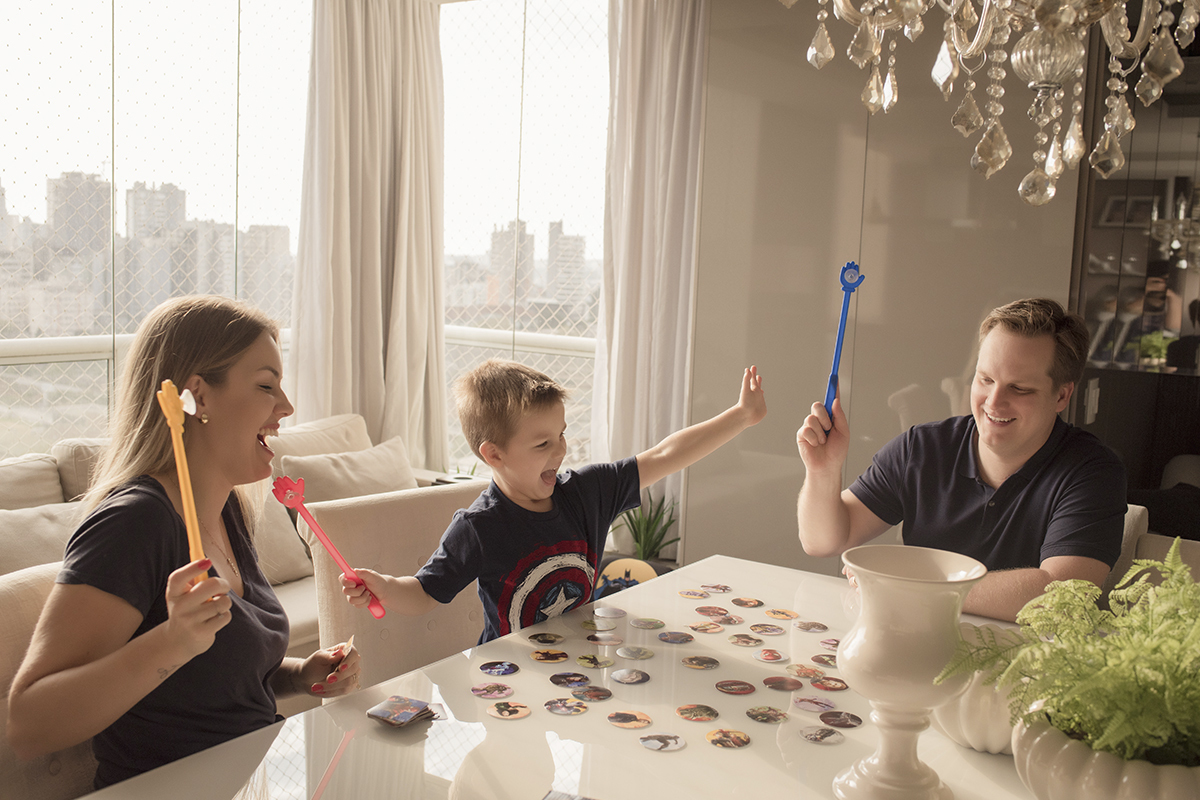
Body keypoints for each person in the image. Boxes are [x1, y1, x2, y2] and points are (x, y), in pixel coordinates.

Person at [6, 296, 361, 789]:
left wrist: (300, 674)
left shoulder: (228, 510)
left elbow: (210, 680)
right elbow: (29, 723)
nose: (286, 407)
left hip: (248, 780)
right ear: (197, 397)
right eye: (266, 385)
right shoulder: (135, 523)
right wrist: (172, 641)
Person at [343, 359, 766, 642]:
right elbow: (424, 594)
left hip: (581, 662)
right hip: (508, 677)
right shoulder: (478, 528)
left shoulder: (588, 492)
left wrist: (742, 415)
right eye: (542, 442)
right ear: (493, 454)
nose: (560, 451)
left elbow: (663, 455)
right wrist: (385, 587)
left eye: (561, 434)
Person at [796, 298, 1127, 622]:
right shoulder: (922, 448)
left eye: (1020, 388)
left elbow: (1063, 596)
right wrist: (823, 470)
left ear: (1062, 395)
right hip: (913, 645)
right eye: (985, 380)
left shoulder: (1093, 472)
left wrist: (910, 587)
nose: (994, 403)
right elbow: (823, 540)